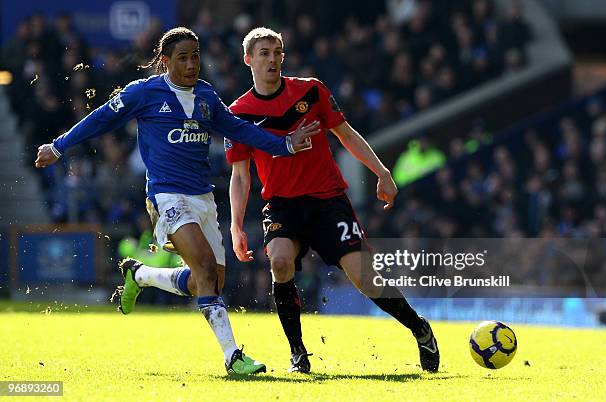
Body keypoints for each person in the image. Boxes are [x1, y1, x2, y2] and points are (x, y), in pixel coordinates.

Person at [34, 27, 319, 375]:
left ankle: (142, 276)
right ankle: (233, 357)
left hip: (202, 198)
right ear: (165, 62)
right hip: (166, 195)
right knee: (201, 263)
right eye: (182, 58)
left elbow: (240, 129)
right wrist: (59, 146)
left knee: (208, 281)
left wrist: (285, 144)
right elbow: (101, 118)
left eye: (195, 56)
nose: (190, 64)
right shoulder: (145, 92)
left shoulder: (207, 96)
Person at [224, 27, 440, 373]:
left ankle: (420, 329)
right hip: (282, 205)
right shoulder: (238, 113)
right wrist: (235, 225)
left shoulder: (311, 90)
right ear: (248, 59)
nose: (272, 59)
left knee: (364, 278)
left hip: (327, 200)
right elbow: (240, 175)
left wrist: (382, 172)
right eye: (264, 53)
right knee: (279, 263)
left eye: (277, 52)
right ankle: (298, 353)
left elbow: (346, 134)